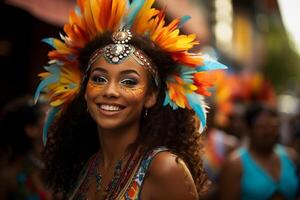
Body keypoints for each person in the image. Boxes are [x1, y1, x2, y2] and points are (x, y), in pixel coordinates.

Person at [34, 0, 227, 199]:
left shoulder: (164, 169)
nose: (110, 91)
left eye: (128, 82)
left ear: (150, 97)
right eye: (99, 79)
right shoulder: (85, 165)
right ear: (84, 91)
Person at [219, 103, 299, 200]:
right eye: (262, 127)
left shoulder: (291, 156)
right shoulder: (235, 165)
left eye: (273, 126)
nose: (268, 132)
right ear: (249, 129)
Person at [0, 95, 52, 200]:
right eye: (50, 117)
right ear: (31, 130)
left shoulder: (68, 166)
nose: (59, 119)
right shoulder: (11, 177)